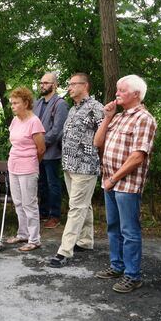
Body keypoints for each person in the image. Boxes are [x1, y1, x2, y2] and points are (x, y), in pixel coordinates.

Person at [93, 75, 157, 293]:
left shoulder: (144, 119)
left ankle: (132, 275)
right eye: (117, 90)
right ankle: (117, 266)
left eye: (122, 90)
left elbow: (138, 156)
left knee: (129, 230)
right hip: (110, 181)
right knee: (113, 227)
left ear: (136, 94)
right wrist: (107, 117)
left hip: (126, 184)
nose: (117, 93)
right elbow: (97, 142)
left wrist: (113, 179)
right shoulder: (118, 117)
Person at [49, 73, 104, 267]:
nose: (69, 87)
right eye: (69, 84)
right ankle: (86, 241)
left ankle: (64, 251)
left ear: (85, 86)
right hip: (69, 164)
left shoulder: (96, 108)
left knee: (76, 207)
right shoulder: (73, 109)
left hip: (85, 165)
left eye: (73, 84)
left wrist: (102, 161)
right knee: (83, 204)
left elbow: (104, 136)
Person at [5, 87, 46, 252]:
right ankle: (22, 234)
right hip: (13, 165)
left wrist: (32, 163)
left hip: (28, 166)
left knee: (29, 203)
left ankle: (34, 239)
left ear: (26, 103)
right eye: (11, 103)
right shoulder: (15, 120)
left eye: (16, 103)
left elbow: (41, 149)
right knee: (18, 202)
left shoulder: (34, 121)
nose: (12, 106)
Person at [33, 72, 69, 229]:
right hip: (37, 152)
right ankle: (43, 211)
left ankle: (54, 215)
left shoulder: (60, 104)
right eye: (41, 82)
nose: (42, 85)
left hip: (51, 152)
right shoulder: (37, 103)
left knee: (52, 183)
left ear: (55, 85)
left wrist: (41, 143)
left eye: (46, 83)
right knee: (41, 183)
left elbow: (57, 130)